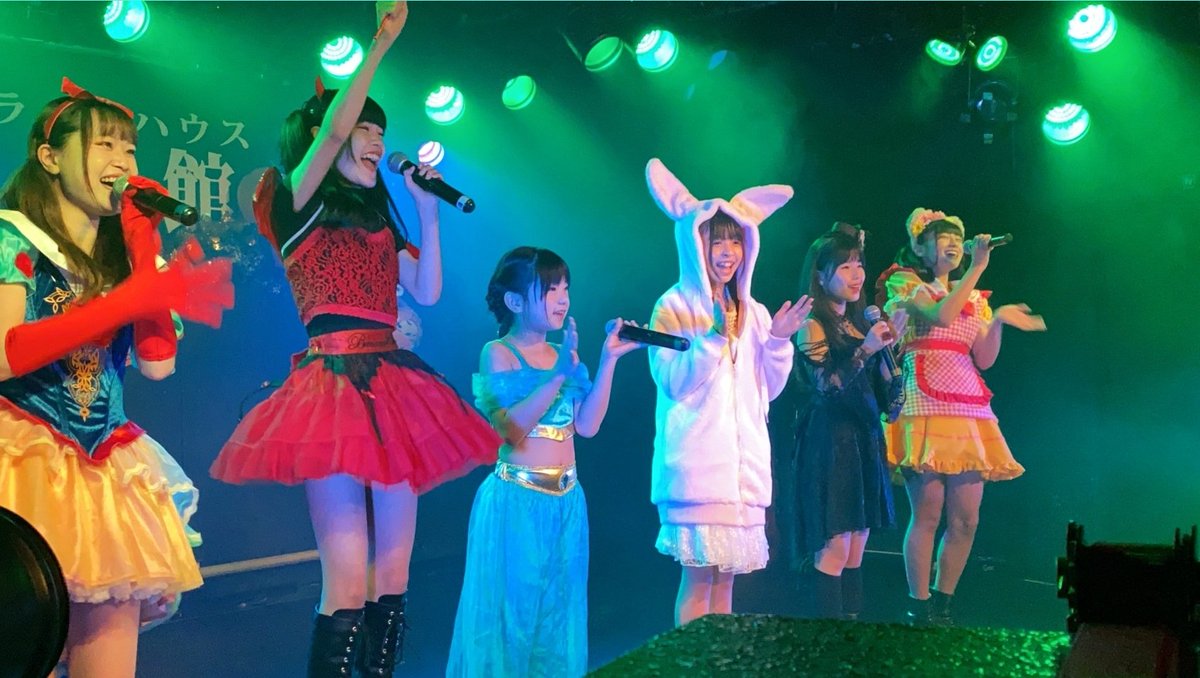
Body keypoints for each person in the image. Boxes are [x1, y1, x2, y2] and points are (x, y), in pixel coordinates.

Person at [209, 4, 500, 675]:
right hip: (331, 385)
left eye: (379, 130)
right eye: (363, 128)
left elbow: (426, 289)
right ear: (327, 138)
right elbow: (334, 126)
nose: (373, 140)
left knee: (391, 579)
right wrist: (380, 43)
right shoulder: (295, 200)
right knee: (344, 580)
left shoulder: (378, 221)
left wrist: (427, 209)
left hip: (392, 380)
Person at [0, 77, 234, 678]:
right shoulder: (11, 236)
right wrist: (121, 302)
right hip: (22, 456)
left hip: (107, 467)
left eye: (129, 148)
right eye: (105, 145)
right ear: (50, 157)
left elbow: (157, 364)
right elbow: (3, 353)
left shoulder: (125, 259)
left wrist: (140, 239)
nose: (123, 161)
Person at [447, 246, 643, 677]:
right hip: (517, 500)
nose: (562, 298)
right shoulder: (498, 352)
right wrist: (557, 376)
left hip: (567, 500)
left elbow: (587, 426)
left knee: (558, 619)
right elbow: (511, 430)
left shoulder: (563, 355)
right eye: (550, 289)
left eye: (565, 288)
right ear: (515, 301)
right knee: (512, 618)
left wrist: (608, 359)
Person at [644, 158, 811, 626]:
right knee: (699, 581)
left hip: (744, 477)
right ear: (694, 244)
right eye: (716, 241)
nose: (727, 252)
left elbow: (768, 391)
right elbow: (672, 380)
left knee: (726, 585)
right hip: (698, 469)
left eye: (735, 241)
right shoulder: (674, 305)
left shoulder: (753, 311)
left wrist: (778, 341)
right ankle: (691, 661)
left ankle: (718, 661)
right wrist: (714, 336)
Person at [878, 207, 1046, 624]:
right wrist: (977, 267)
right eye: (943, 237)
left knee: (967, 519)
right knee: (928, 513)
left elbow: (984, 358)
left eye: (958, 237)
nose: (953, 243)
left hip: (968, 405)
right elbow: (941, 315)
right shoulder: (906, 282)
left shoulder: (974, 296)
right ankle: (917, 606)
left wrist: (999, 319)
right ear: (920, 247)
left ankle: (943, 604)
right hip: (924, 402)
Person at [790, 222, 905, 620]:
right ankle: (827, 641)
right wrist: (866, 350)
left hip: (864, 440)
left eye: (859, 265)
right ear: (821, 277)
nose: (857, 275)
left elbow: (891, 402)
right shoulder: (812, 325)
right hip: (831, 443)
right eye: (845, 267)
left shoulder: (861, 323)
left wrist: (892, 354)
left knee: (857, 549)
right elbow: (827, 388)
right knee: (835, 548)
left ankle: (851, 638)